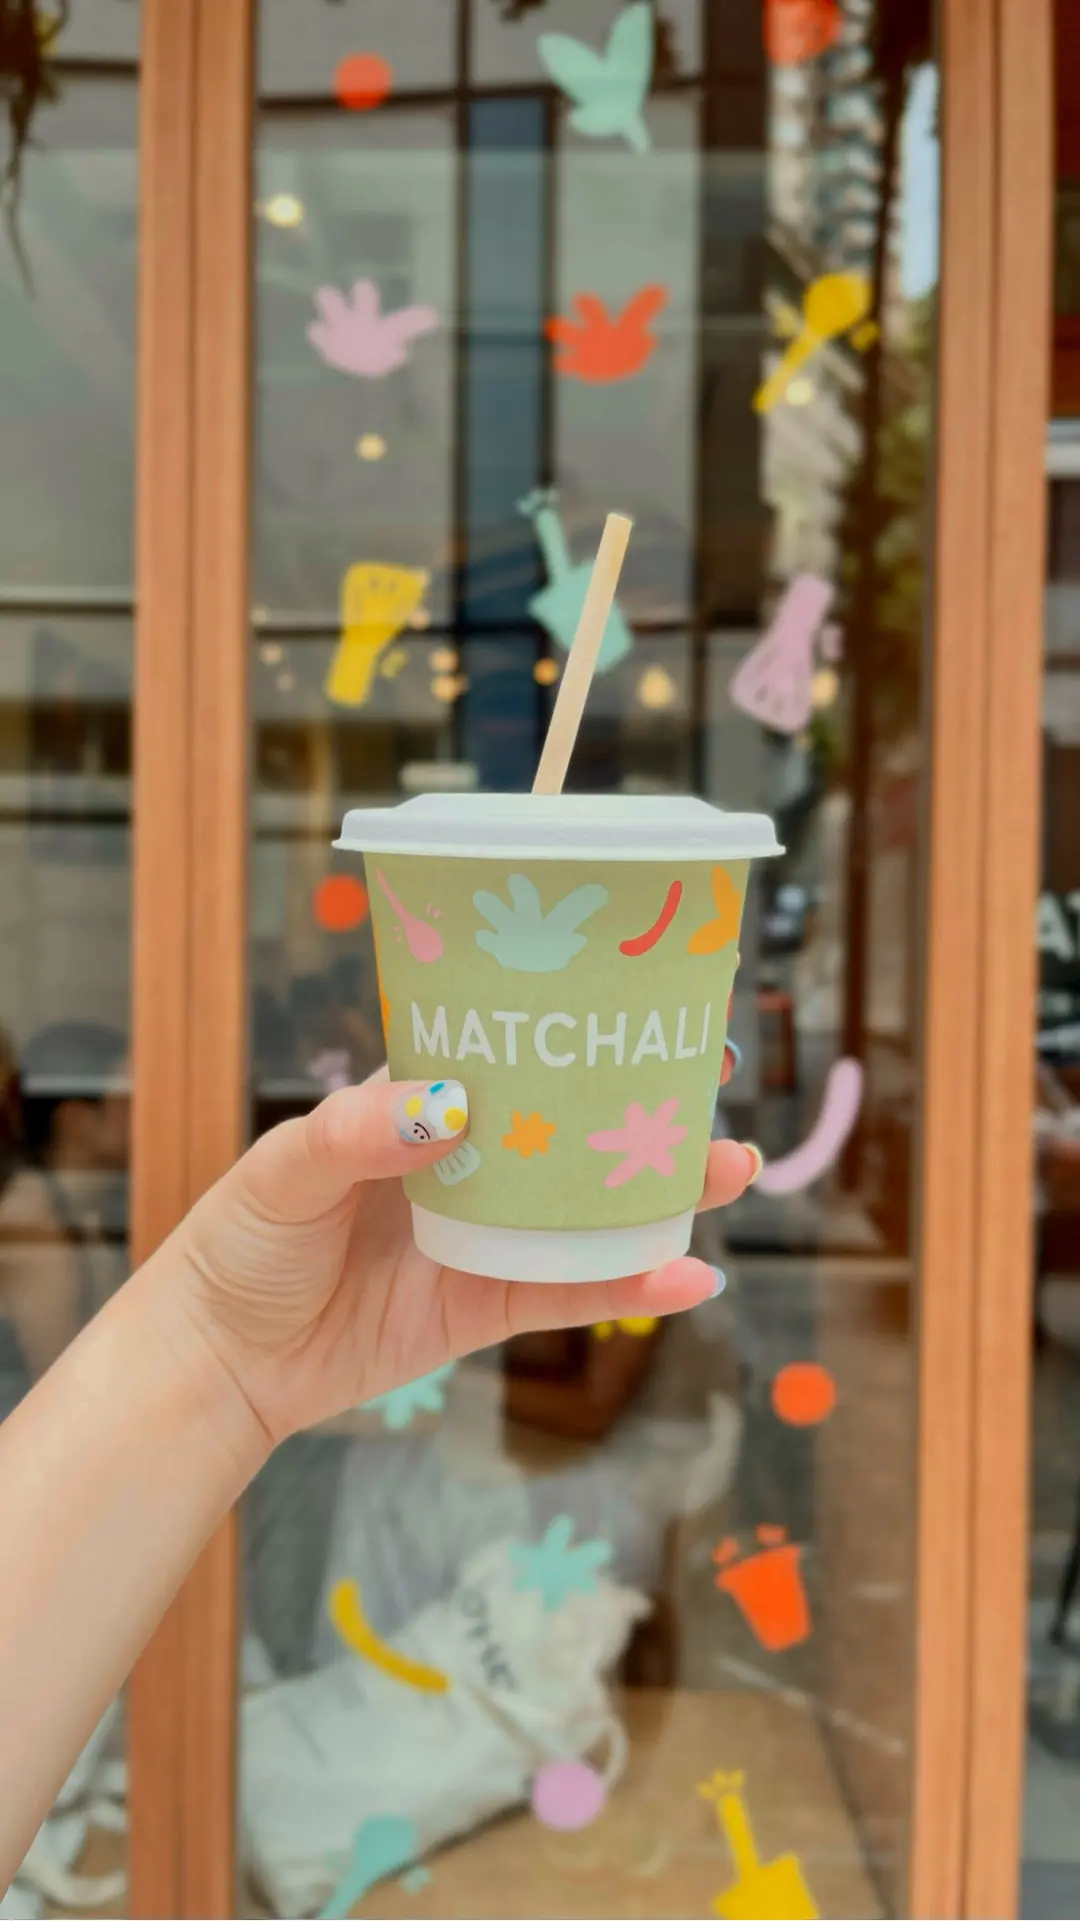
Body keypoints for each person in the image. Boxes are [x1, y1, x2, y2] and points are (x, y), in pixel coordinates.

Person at [0, 1069, 759, 1889]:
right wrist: (219, 1350)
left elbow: (590, 1403)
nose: (134, 1102)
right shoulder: (37, 1216)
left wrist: (221, 1349)